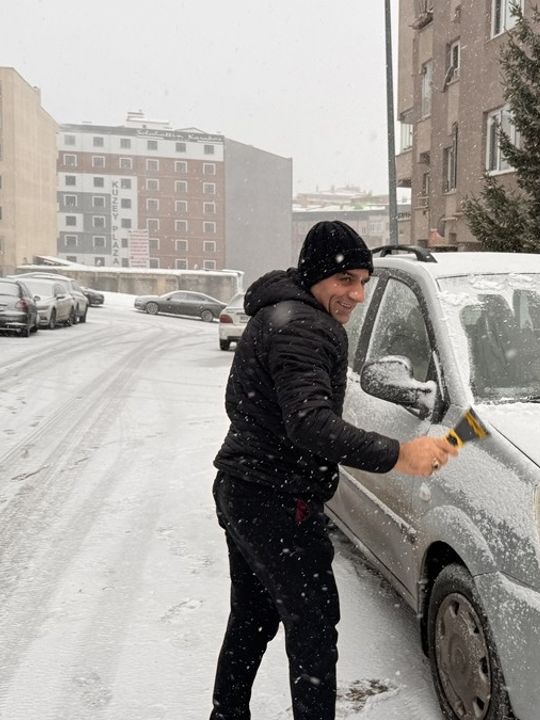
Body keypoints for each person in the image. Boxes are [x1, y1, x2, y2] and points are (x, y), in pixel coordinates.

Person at [209, 220, 457, 720]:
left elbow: (260, 409)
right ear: (317, 275)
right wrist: (401, 454)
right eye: (347, 281)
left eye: (364, 281)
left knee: (253, 618)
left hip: (244, 488)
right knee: (314, 630)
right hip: (279, 502)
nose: (358, 295)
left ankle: (227, 714)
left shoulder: (277, 312)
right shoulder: (304, 326)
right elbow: (310, 425)